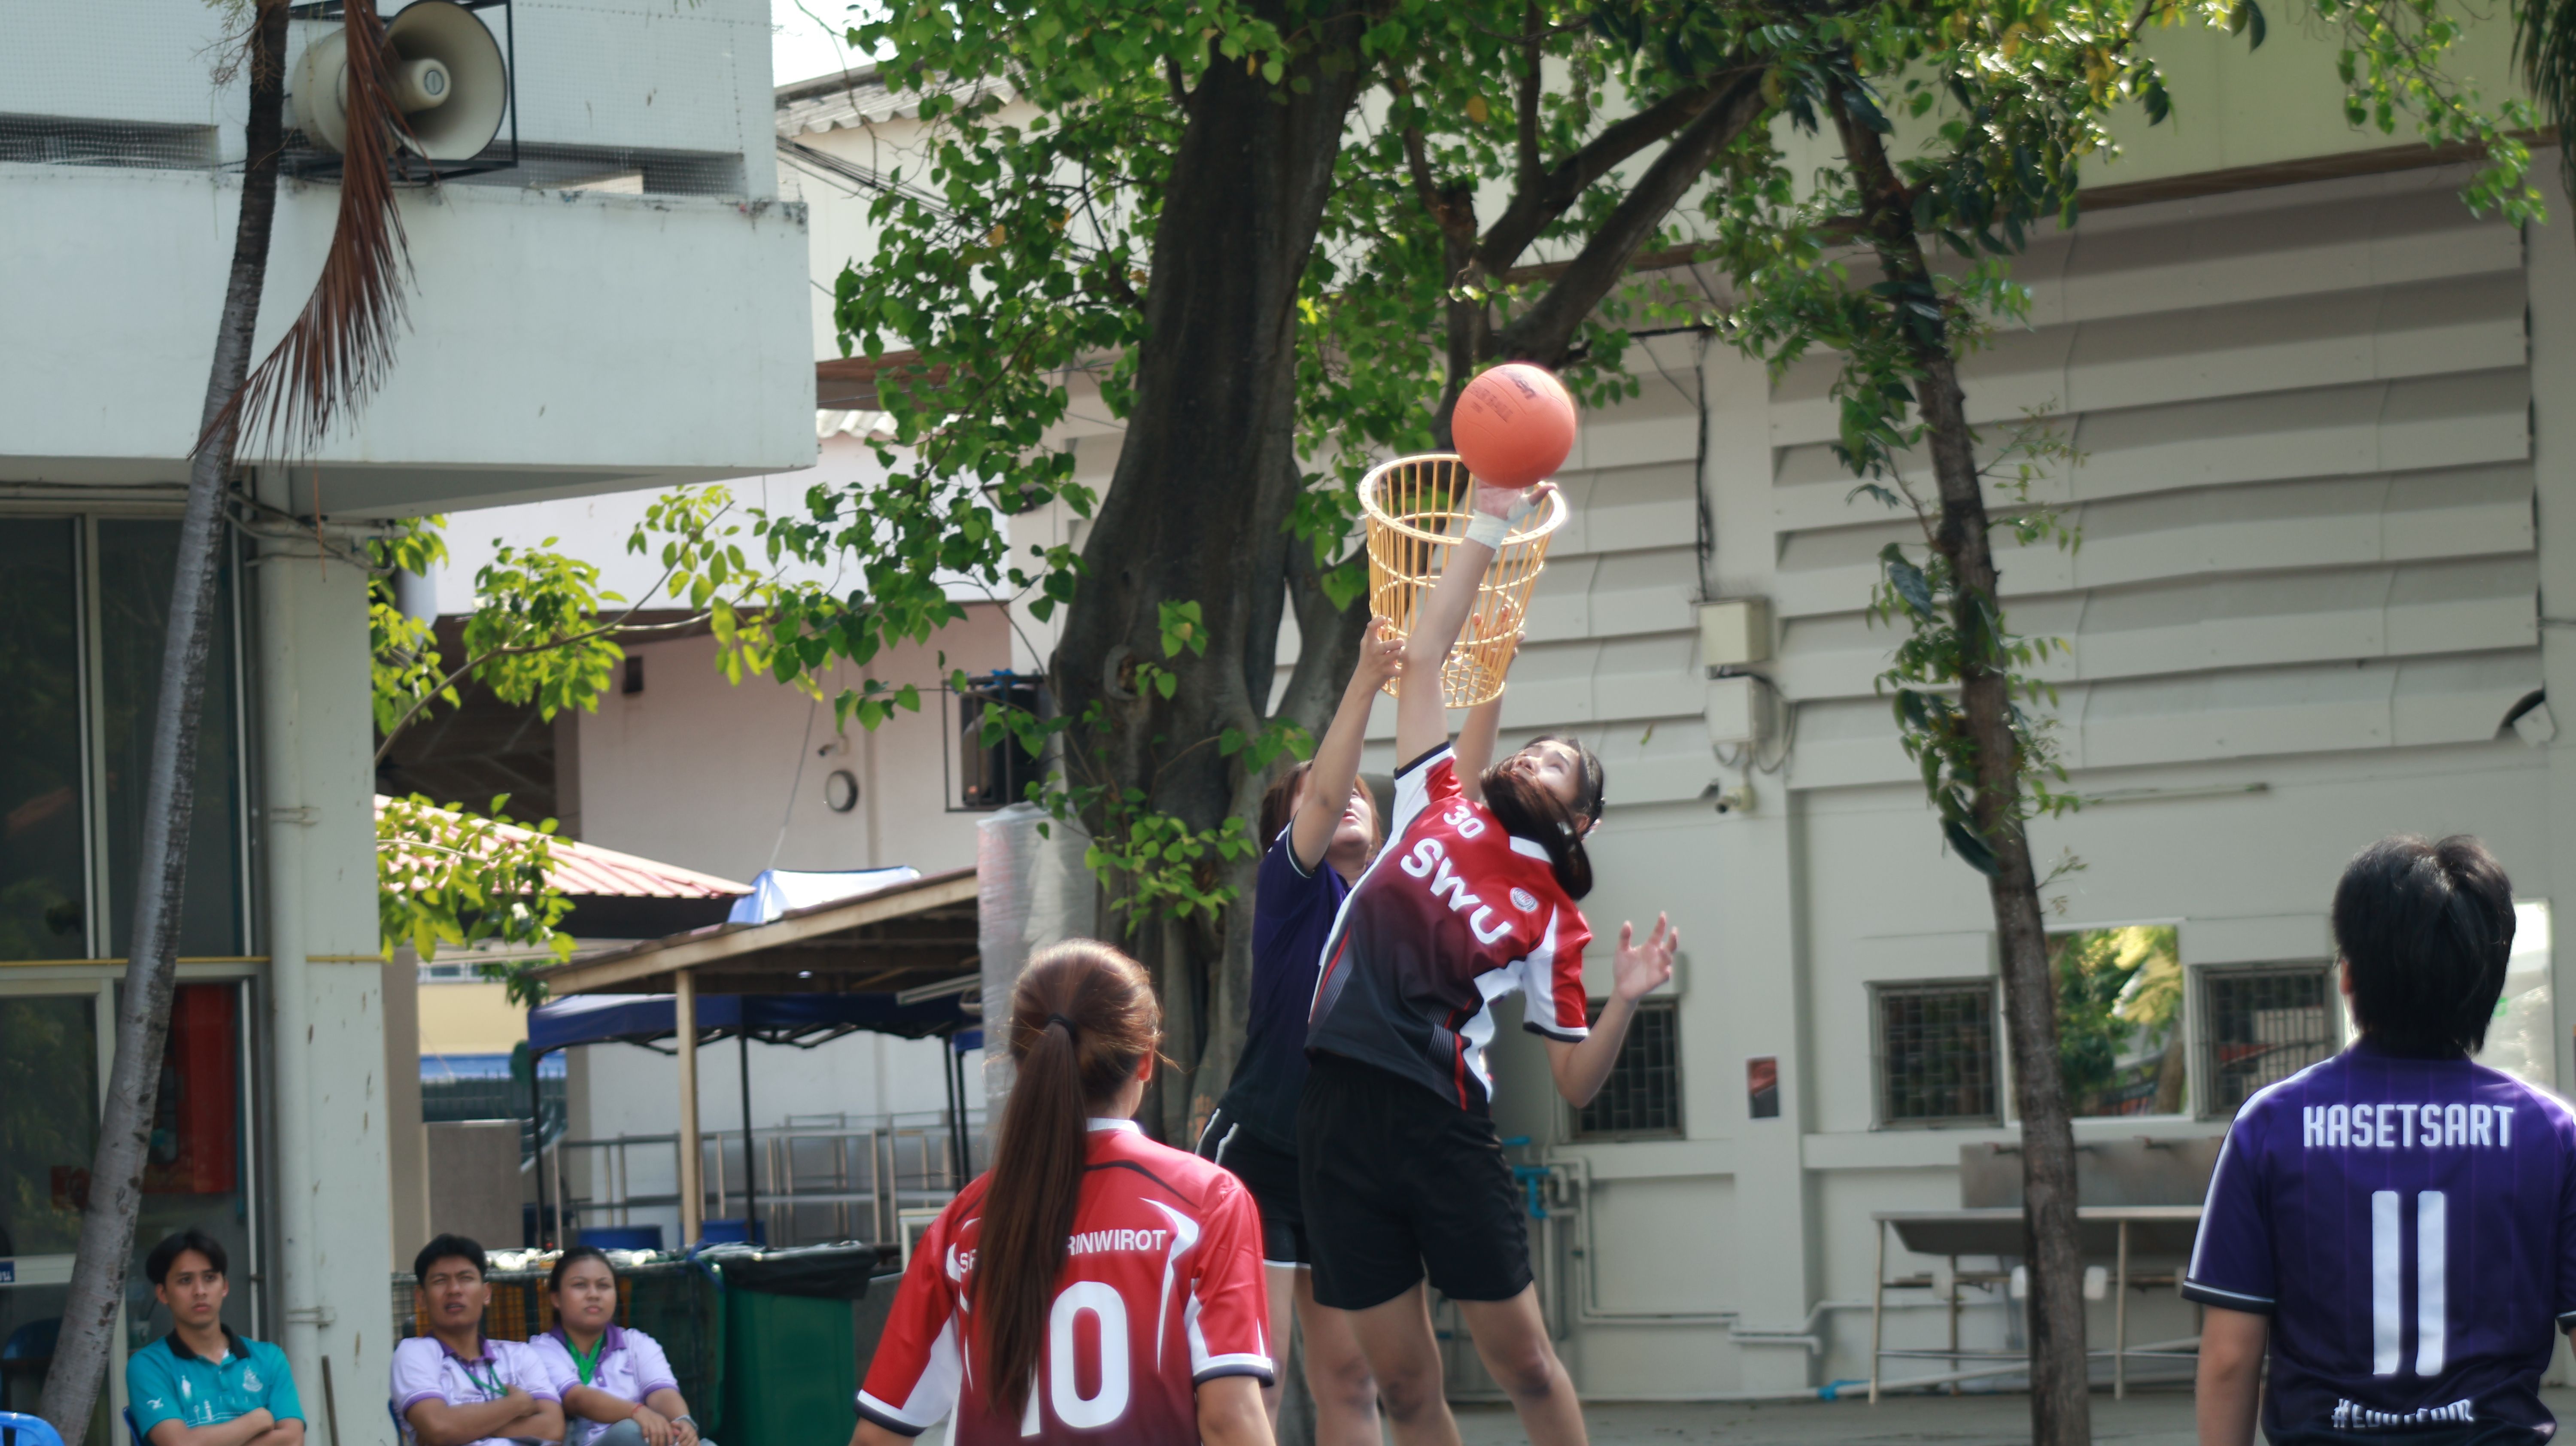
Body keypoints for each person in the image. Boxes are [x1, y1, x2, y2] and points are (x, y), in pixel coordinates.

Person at [1297, 478, 1679, 1446]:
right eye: (1533, 748)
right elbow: (1426, 653)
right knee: (1403, 1386)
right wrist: (1490, 517)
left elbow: (1575, 1082)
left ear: (1582, 820)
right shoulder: (1438, 799)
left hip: (1443, 1126)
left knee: (1527, 1365)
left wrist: (1627, 998)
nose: (1535, 758)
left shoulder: (1554, 917)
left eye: (1558, 763)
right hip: (1337, 1114)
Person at [2191, 835, 2576, 1446]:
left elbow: (2230, 1358)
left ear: (2349, 974)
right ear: (2488, 982)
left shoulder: (2271, 1125)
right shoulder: (2549, 1133)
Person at [850, 941, 1275, 1445]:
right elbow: (1230, 1420)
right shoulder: (1207, 1200)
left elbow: (878, 1435)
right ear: (1146, 1061)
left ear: (1022, 1065)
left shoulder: (965, 1223)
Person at [1194, 620, 1400, 1444]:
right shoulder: (1292, 888)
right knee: (1258, 1382)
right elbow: (1323, 793)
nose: (1343, 795)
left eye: (1359, 792)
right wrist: (1368, 676)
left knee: (1352, 1379)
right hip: (1261, 1159)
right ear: (1289, 828)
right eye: (1321, 791)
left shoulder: (1402, 908)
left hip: (1350, 1165)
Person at [127, 1228, 305, 1446]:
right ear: (163, 1294)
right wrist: (256, 1421)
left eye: (210, 1278)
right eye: (185, 1280)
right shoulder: (149, 1365)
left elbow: (292, 1440)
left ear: (225, 1287)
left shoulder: (269, 1358)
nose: (200, 1291)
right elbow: (180, 1445)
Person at [392, 1234, 568, 1446]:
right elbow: (439, 1428)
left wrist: (461, 1428)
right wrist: (517, 1404)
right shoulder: (415, 1353)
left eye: (466, 1278)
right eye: (440, 1281)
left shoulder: (519, 1355)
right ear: (421, 1298)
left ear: (486, 1293)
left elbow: (553, 1429)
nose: (454, 1290)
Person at [526, 1248, 707, 1446]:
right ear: (556, 1299)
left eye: (603, 1286)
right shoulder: (540, 1351)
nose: (594, 1295)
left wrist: (682, 1422)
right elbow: (576, 1399)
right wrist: (636, 1412)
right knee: (628, 1432)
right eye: (580, 1285)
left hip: (644, 1440)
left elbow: (662, 1393)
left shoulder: (638, 1343)